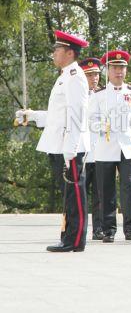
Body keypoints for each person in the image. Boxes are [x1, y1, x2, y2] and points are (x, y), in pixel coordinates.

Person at [16, 30, 91, 252]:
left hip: (70, 146)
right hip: (62, 144)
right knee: (69, 194)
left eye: (57, 50)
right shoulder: (64, 77)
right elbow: (58, 116)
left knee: (75, 193)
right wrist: (32, 116)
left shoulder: (75, 77)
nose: (53, 54)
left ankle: (75, 240)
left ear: (69, 53)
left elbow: (77, 116)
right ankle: (69, 237)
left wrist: (71, 149)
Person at [90, 50, 131, 243]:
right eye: (115, 68)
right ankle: (108, 230)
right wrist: (102, 126)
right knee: (106, 190)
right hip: (105, 146)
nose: (119, 72)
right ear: (108, 70)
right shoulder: (99, 94)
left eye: (122, 68)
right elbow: (91, 120)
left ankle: (130, 228)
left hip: (127, 146)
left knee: (129, 187)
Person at [79, 57, 104, 240]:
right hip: (83, 152)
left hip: (102, 151)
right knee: (79, 195)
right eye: (89, 75)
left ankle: (99, 228)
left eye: (96, 74)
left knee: (100, 194)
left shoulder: (104, 95)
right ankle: (78, 228)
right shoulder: (78, 95)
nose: (94, 78)